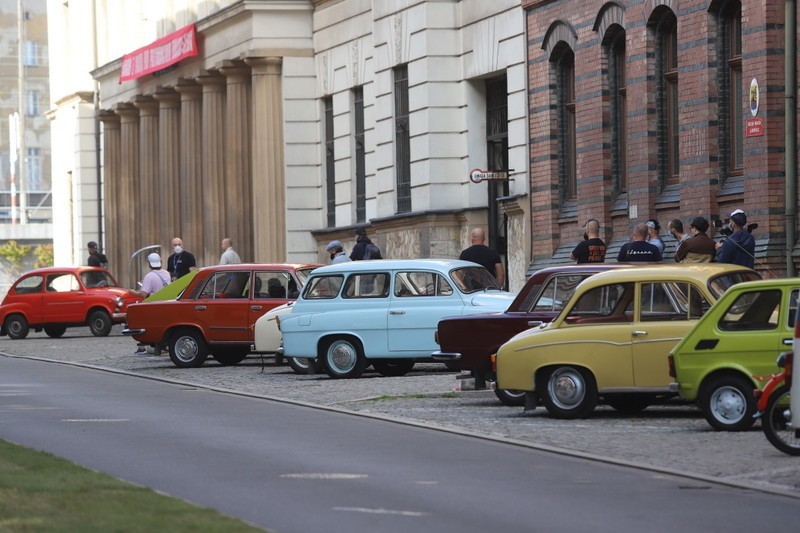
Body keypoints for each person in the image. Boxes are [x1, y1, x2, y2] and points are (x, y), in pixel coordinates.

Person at [131, 253, 171, 354]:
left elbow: (143, 294)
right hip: (166, 305)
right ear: (160, 262)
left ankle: (142, 347)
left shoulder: (149, 276)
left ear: (149, 263)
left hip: (154, 306)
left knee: (141, 323)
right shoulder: (167, 273)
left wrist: (132, 292)